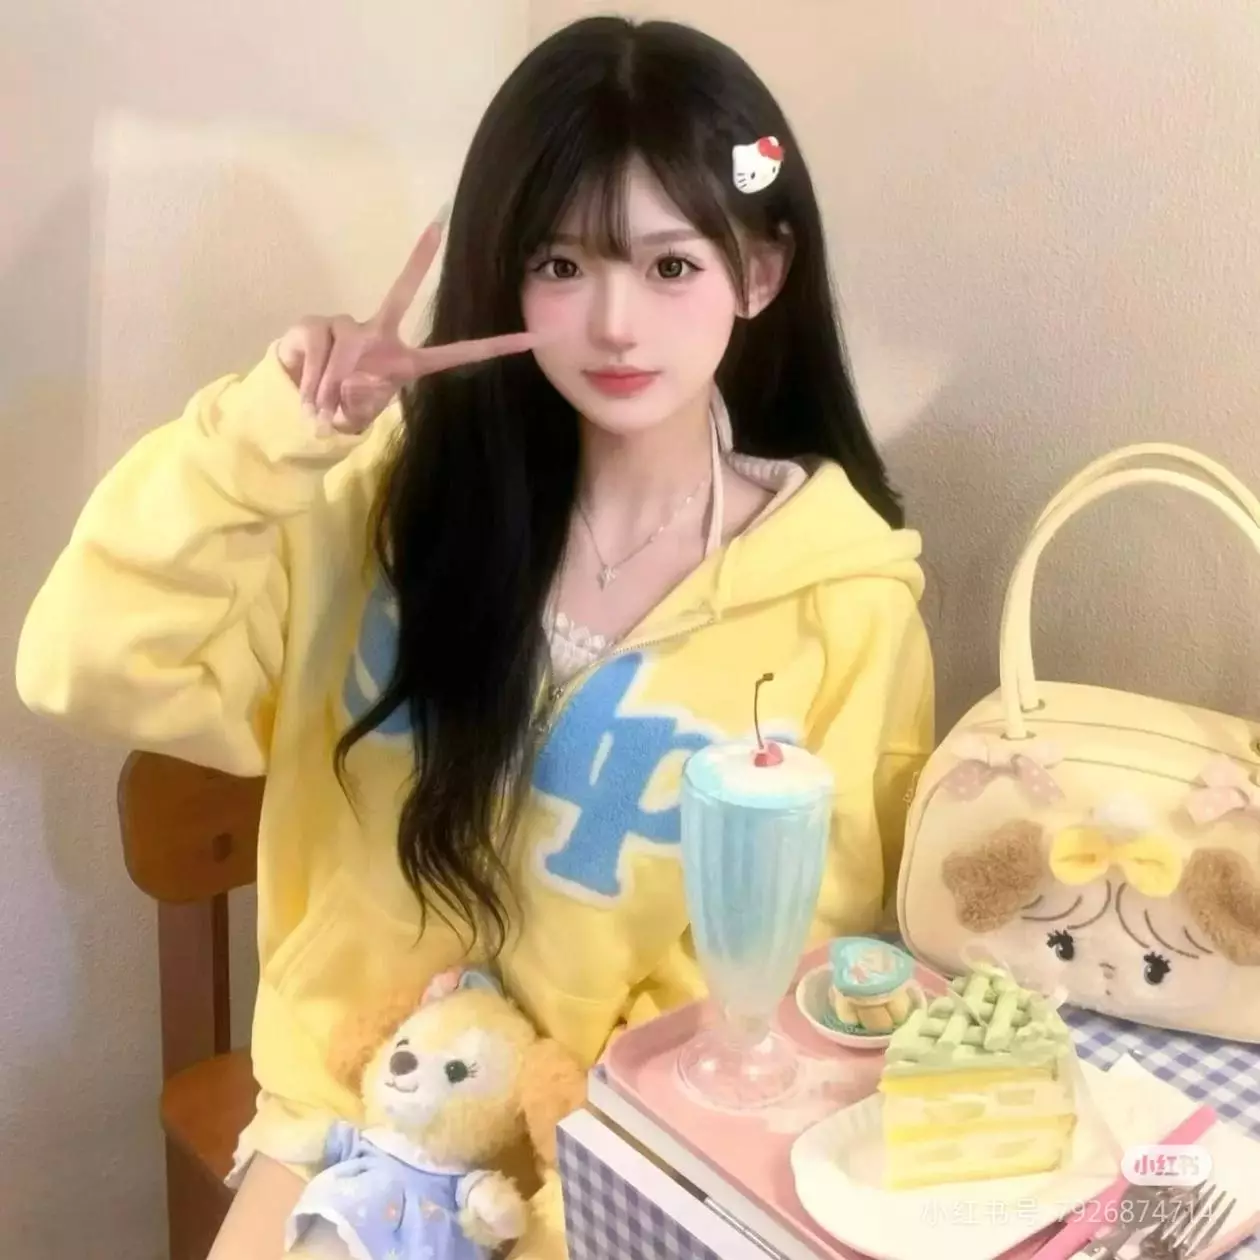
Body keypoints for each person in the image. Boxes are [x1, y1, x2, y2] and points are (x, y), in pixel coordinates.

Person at [16, 15, 934, 1260]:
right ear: (506, 274)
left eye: (671, 266)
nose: (615, 324)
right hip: (348, 1124)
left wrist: (567, 1190)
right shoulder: (384, 499)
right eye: (562, 264)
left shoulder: (844, 600)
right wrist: (262, 439)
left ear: (760, 274)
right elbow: (84, 664)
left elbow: (784, 965)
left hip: (623, 1166)